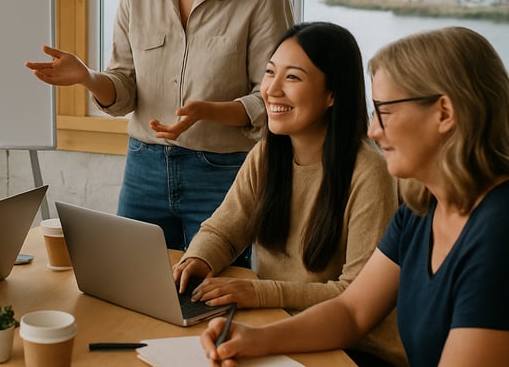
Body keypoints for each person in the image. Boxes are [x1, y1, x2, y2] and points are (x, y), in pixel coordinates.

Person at [25, 0, 293, 251]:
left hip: (224, 172)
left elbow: (271, 96)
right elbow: (124, 89)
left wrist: (209, 111)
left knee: (219, 297)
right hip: (144, 168)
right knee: (135, 287)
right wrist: (89, 78)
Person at [201, 26, 509, 367]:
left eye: (385, 113)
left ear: (445, 113)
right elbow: (352, 311)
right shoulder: (422, 209)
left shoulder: (498, 231)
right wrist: (254, 339)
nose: (373, 130)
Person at [174, 22, 404, 366]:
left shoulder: (368, 171)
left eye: (293, 78)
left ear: (332, 94)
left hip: (356, 349)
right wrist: (198, 259)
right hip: (277, 325)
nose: (271, 90)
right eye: (270, 73)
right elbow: (223, 229)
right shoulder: (267, 155)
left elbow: (354, 295)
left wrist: (259, 292)